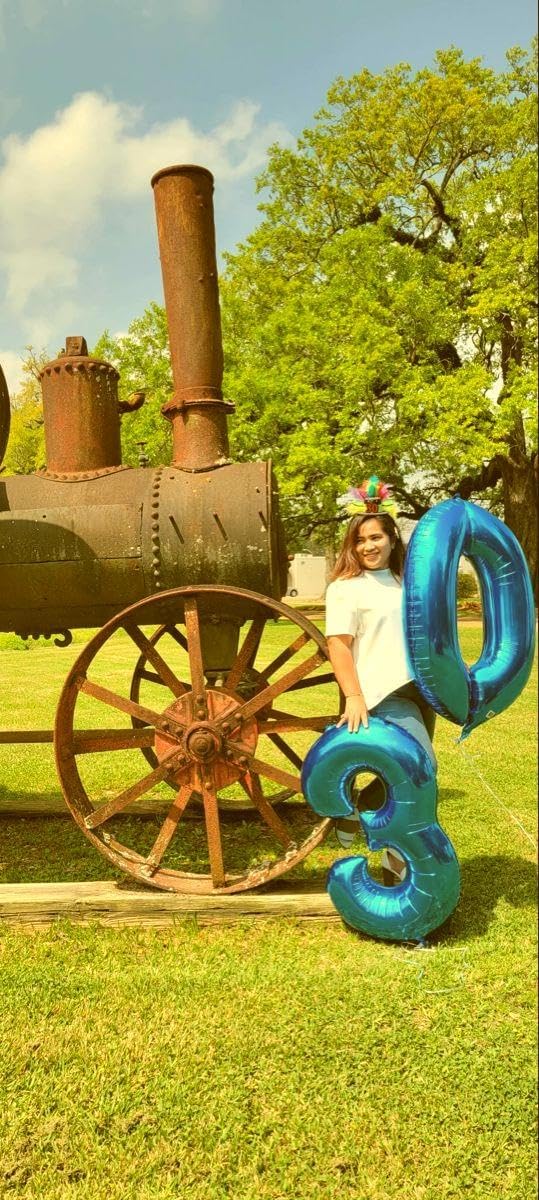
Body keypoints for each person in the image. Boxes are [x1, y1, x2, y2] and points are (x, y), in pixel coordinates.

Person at [325, 477, 437, 884]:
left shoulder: (408, 582)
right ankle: (397, 863)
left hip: (420, 691)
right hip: (380, 692)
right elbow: (338, 646)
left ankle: (359, 812)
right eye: (360, 540)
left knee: (399, 774)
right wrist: (354, 696)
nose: (368, 546)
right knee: (418, 769)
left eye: (376, 537)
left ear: (392, 539)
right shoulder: (345, 588)